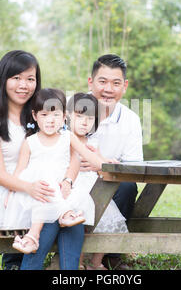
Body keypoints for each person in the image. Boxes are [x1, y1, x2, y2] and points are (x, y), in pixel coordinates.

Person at [0, 51, 82, 270]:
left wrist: (68, 181)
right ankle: (20, 265)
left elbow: (73, 152)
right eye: (16, 78)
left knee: (68, 208)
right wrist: (30, 187)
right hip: (3, 195)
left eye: (30, 79)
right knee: (51, 211)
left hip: (46, 189)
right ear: (3, 80)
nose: (23, 85)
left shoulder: (42, 113)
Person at [0, 88, 105, 261]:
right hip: (36, 191)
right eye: (44, 115)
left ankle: (32, 237)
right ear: (35, 116)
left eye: (55, 115)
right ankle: (62, 215)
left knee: (51, 184)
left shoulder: (67, 137)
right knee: (44, 179)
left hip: (59, 190)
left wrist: (108, 164)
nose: (50, 121)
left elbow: (89, 155)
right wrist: (10, 191)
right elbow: (20, 170)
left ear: (64, 117)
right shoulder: (30, 142)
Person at [84, 54, 143, 269]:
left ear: (124, 86)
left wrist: (103, 166)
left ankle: (110, 254)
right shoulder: (73, 110)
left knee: (128, 186)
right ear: (90, 82)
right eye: (103, 81)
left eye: (116, 83)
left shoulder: (130, 120)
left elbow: (134, 167)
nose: (108, 89)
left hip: (111, 182)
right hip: (76, 180)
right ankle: (72, 256)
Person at [65, 93, 128, 270]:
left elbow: (99, 162)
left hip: (94, 186)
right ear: (68, 116)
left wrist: (107, 161)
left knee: (106, 222)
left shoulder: (92, 140)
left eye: (90, 118)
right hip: (76, 187)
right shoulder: (65, 139)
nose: (85, 122)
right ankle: (78, 262)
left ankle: (96, 262)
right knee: (82, 226)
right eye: (79, 116)